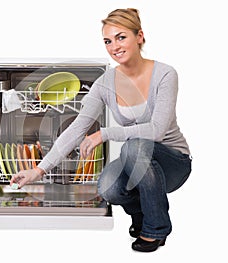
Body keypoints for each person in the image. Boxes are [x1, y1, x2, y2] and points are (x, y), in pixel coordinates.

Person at [10, 8, 192, 252]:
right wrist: (39, 170)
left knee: (134, 146)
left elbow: (157, 131)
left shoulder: (165, 74)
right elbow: (77, 127)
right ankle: (141, 216)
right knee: (108, 187)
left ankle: (156, 228)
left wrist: (105, 133)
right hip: (139, 162)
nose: (114, 46)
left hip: (173, 162)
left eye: (121, 37)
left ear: (139, 36)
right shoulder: (106, 83)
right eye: (107, 41)